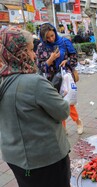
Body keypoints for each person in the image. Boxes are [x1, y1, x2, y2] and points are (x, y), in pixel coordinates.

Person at [0, 26, 71, 187]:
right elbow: (62, 111)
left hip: (15, 158)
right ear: (19, 52)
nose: (33, 56)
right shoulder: (33, 82)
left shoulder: (3, 78)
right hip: (44, 159)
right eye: (31, 50)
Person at [36, 23, 83, 135]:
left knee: (68, 103)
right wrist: (50, 60)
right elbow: (40, 66)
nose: (51, 39)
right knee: (57, 104)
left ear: (55, 32)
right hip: (51, 80)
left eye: (52, 35)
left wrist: (67, 62)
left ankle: (78, 122)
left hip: (65, 77)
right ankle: (63, 128)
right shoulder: (41, 47)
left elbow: (74, 58)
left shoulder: (64, 42)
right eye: (47, 38)